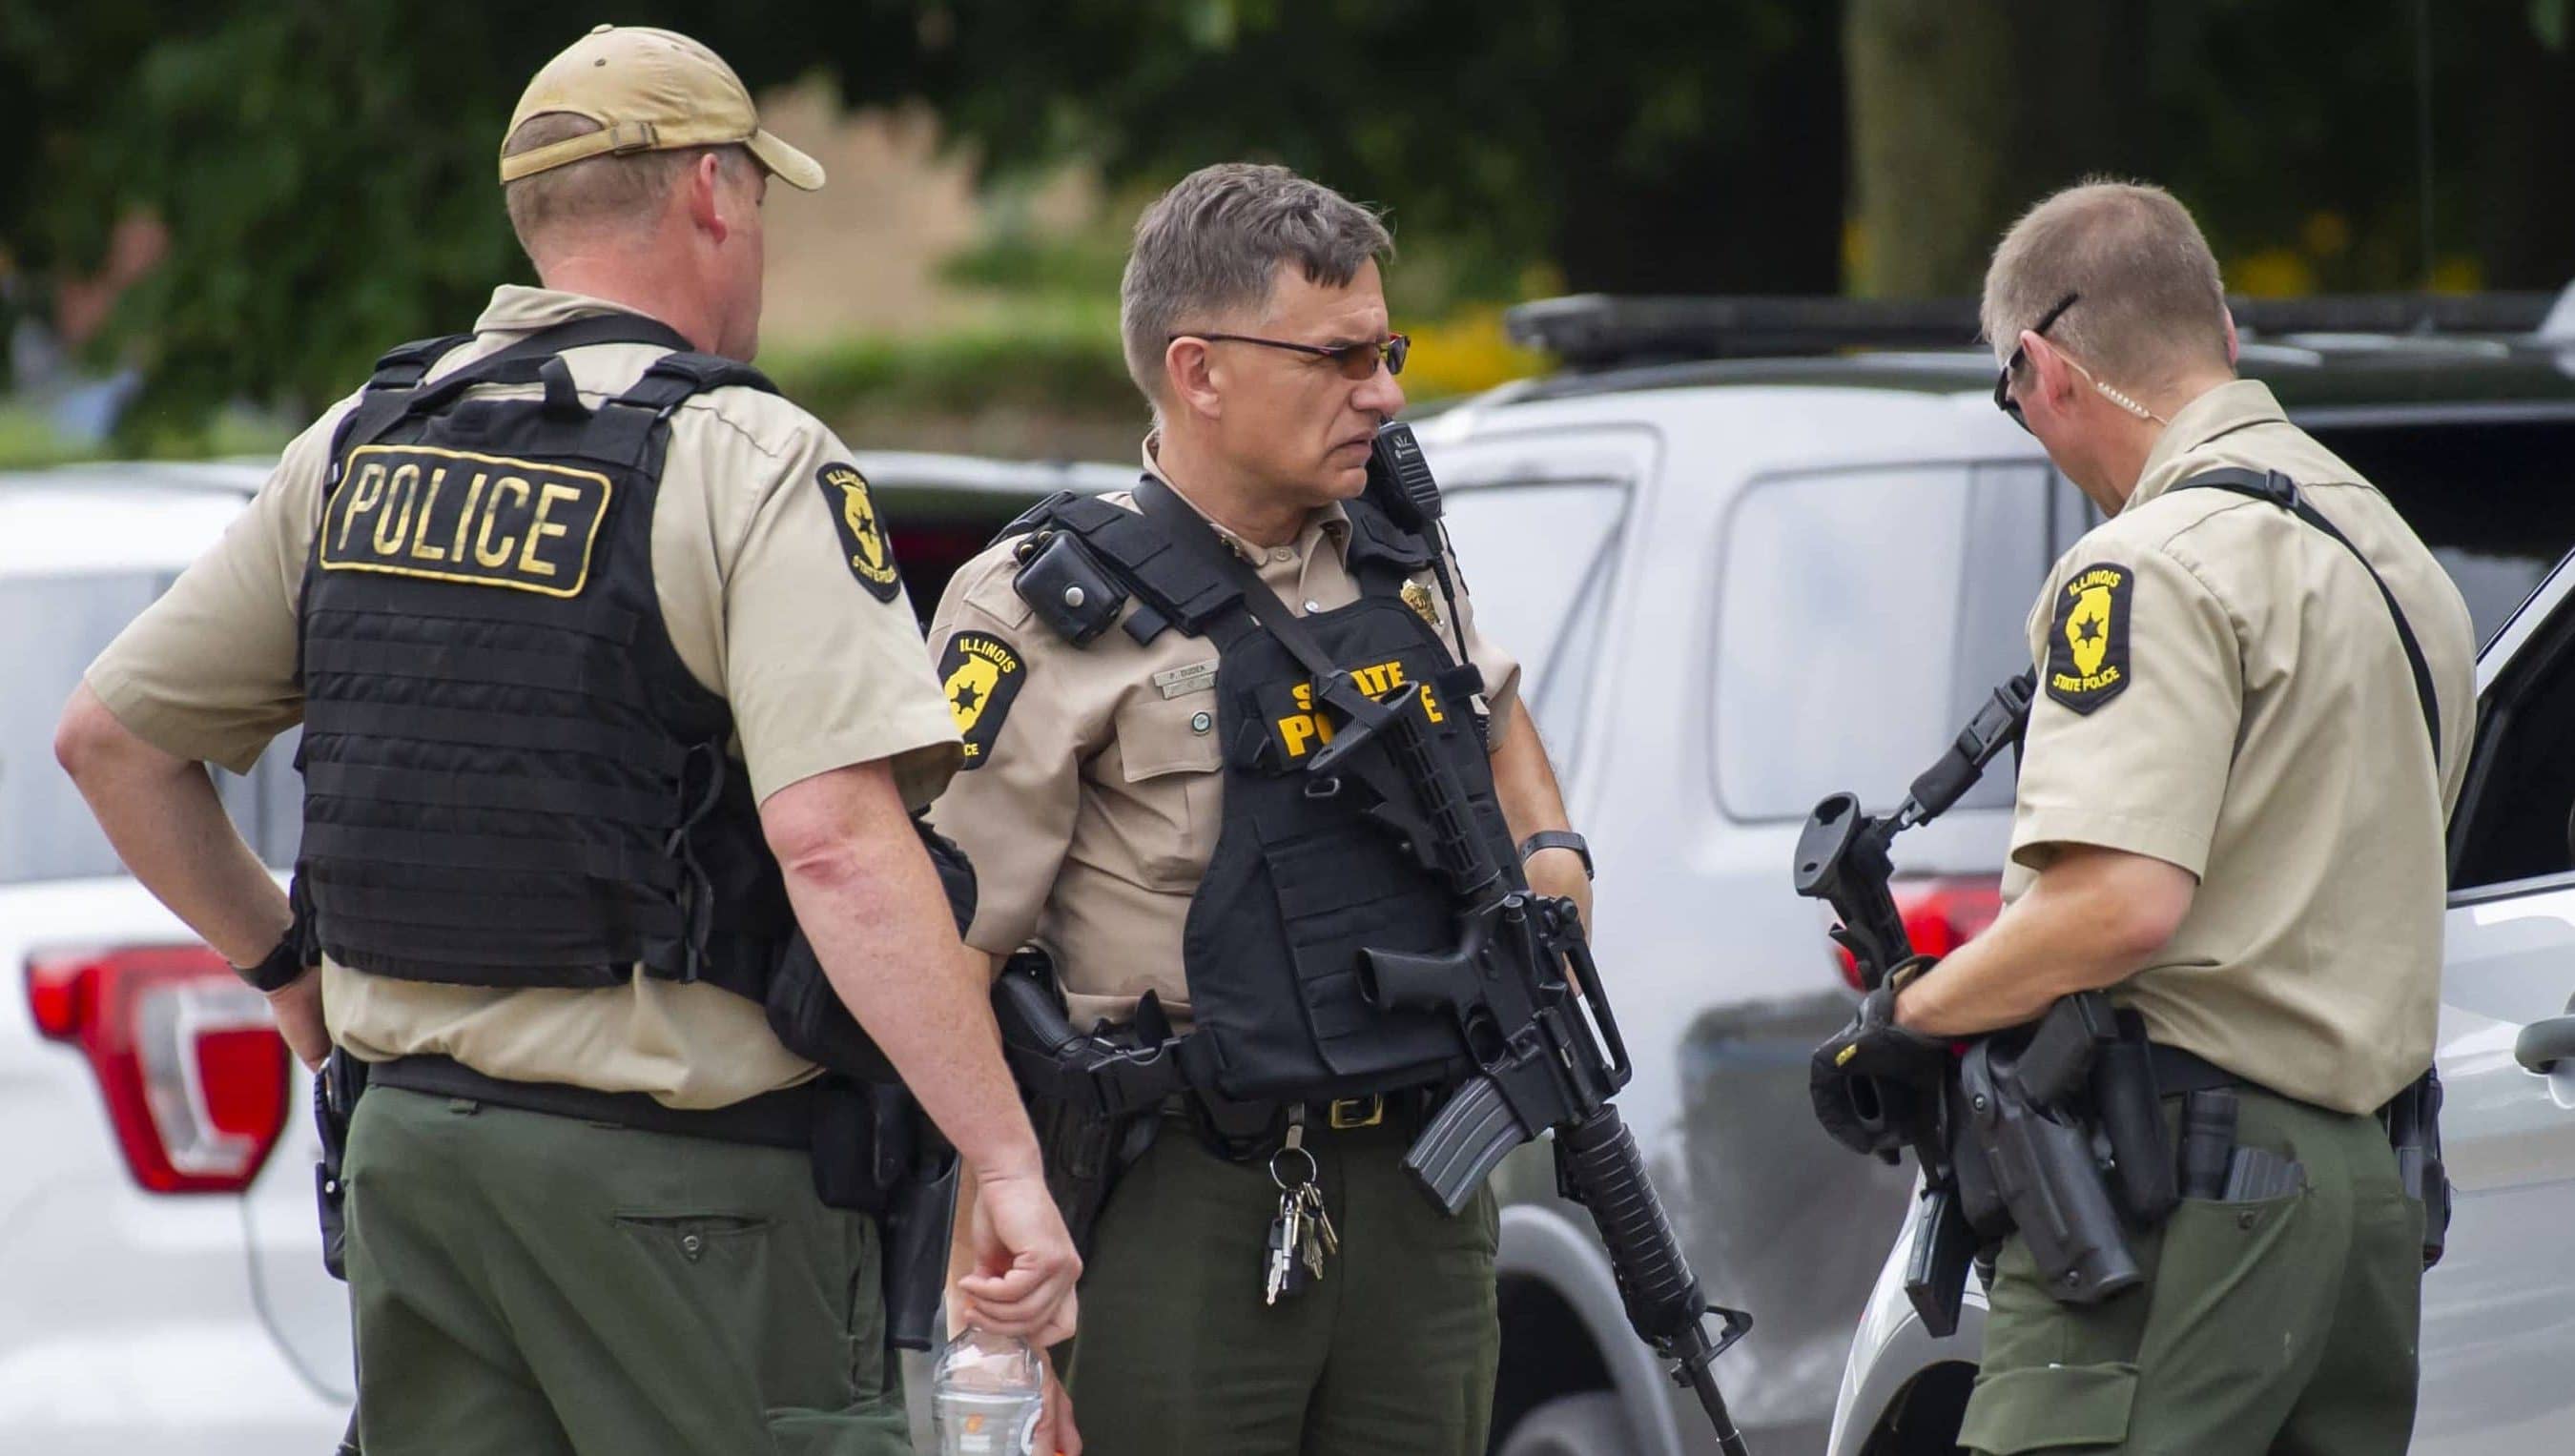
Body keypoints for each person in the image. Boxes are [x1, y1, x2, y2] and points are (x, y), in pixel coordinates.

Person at [52, 25, 1077, 1456]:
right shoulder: (744, 456)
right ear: (715, 191)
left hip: (416, 1164)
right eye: (760, 203)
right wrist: (1006, 1159)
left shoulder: (363, 439)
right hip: (679, 1196)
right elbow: (838, 845)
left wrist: (291, 977)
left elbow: (111, 741)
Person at [923, 162, 1592, 1455]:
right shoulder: (1044, 606)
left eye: (1386, 351)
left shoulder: (1392, 559)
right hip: (1187, 1196)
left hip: (1422, 1182)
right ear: (1201, 370)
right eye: (1340, 358)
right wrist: (991, 1298)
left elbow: (1494, 719)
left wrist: (1554, 863)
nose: (1385, 394)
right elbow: (956, 950)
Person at [1814, 179, 2474, 1455]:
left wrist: (1904, 1018)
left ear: (2043, 369)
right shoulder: (2391, 555)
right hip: (2368, 1198)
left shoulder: (2145, 564)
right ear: (2223, 334)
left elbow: (2121, 901)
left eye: (2014, 399)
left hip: (2191, 1196)